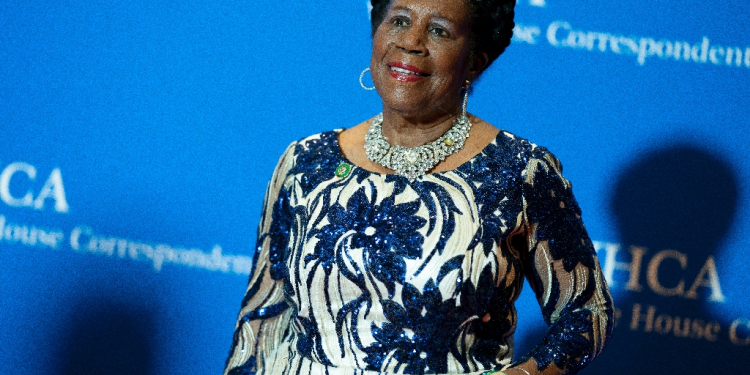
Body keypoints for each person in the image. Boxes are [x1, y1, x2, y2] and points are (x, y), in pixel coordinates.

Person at [223, 0, 613, 374]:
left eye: (439, 31)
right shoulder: (306, 161)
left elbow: (587, 313)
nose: (411, 42)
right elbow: (261, 321)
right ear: (376, 33)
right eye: (399, 21)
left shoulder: (519, 172)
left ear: (474, 62)